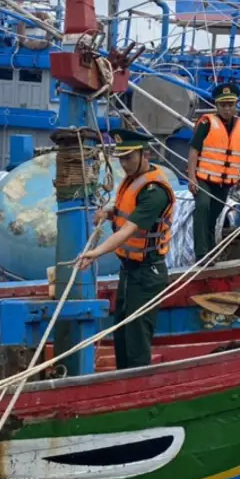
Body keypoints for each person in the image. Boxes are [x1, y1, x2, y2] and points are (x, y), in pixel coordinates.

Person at [75, 128, 174, 369]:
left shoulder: (155, 192)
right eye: (121, 158)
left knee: (137, 338)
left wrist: (96, 253)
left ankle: (137, 388)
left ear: (144, 154)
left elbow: (129, 230)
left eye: (129, 158)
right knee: (122, 333)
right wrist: (108, 211)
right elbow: (124, 210)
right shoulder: (133, 181)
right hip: (129, 271)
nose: (124, 164)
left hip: (147, 274)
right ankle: (123, 378)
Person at [186, 82, 240, 260]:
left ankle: (210, 252)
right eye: (223, 105)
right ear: (216, 106)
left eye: (230, 104)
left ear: (236, 105)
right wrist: (192, 178)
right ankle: (201, 254)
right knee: (202, 207)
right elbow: (194, 151)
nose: (227, 109)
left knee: (214, 216)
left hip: (224, 182)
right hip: (204, 178)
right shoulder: (206, 123)